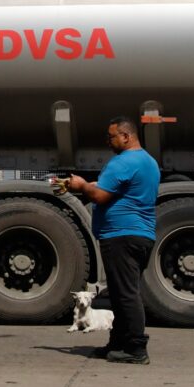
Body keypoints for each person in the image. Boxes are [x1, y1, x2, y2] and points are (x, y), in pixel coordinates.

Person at [68, 116, 159, 365]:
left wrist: (81, 185)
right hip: (139, 235)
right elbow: (120, 190)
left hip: (122, 236)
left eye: (111, 137)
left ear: (126, 136)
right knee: (120, 293)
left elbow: (99, 195)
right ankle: (118, 344)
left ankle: (136, 348)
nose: (108, 141)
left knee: (126, 294)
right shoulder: (148, 161)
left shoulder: (123, 161)